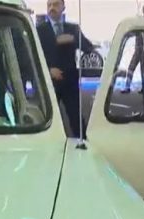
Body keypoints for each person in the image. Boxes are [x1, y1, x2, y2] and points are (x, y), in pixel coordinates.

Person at [36, 0, 94, 138]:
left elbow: (88, 47)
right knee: (47, 120)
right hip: (49, 83)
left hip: (69, 82)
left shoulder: (72, 29)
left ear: (63, 7)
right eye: (49, 5)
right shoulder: (39, 30)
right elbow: (34, 55)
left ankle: (82, 143)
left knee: (76, 118)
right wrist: (49, 70)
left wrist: (74, 39)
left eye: (56, 4)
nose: (52, 8)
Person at [123, 4, 144, 94]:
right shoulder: (140, 20)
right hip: (138, 48)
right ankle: (127, 86)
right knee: (131, 67)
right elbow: (135, 32)